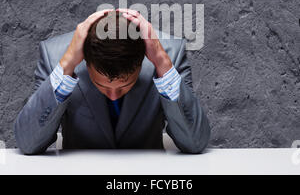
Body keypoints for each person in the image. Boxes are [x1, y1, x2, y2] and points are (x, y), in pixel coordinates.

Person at [14, 8, 210, 154]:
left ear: (141, 63)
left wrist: (162, 62)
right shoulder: (54, 55)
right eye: (102, 85)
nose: (114, 96)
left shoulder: (169, 55)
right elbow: (28, 143)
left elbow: (195, 142)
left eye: (125, 86)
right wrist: (66, 65)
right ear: (86, 61)